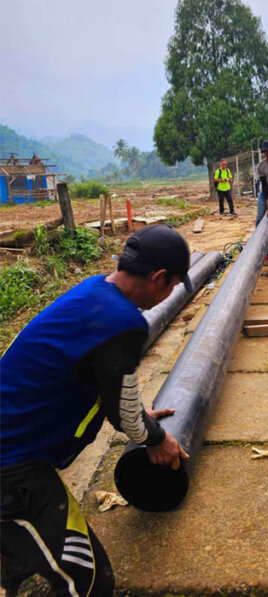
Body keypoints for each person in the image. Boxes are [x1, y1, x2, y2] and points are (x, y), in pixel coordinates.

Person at [1, 225, 193, 597]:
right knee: (90, 582)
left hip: (12, 444)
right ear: (158, 278)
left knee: (23, 537)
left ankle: (18, 555)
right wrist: (157, 439)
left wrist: (137, 415)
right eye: (172, 285)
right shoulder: (123, 324)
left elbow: (108, 386)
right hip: (12, 467)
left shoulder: (93, 292)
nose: (170, 293)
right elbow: (122, 412)